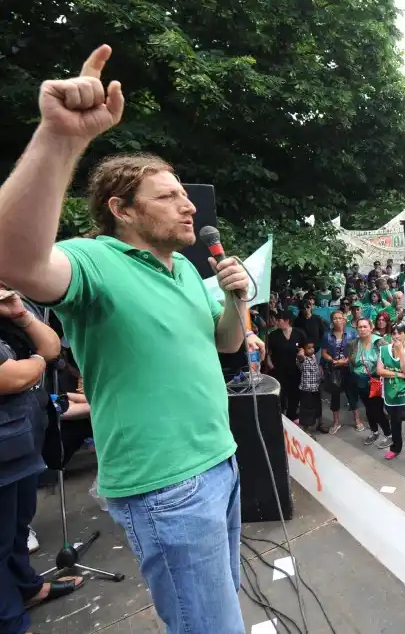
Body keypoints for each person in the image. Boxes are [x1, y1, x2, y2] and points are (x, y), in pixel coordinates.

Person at [0, 45, 256, 634]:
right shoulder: (93, 260)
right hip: (167, 486)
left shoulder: (188, 270)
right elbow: (15, 258)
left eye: (184, 194)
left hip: (220, 462)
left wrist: (237, 300)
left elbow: (224, 345)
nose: (188, 205)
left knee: (220, 615)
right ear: (122, 210)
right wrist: (60, 139)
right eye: (168, 196)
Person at [0, 288, 76, 634]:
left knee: (18, 526)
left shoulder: (10, 307)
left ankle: (28, 589)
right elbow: (12, 378)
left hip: (21, 438)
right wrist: (35, 365)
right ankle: (12, 622)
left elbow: (50, 346)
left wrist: (19, 313)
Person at [378, 324, 405, 462]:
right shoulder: (383, 350)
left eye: (399, 333)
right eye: (393, 333)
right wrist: (399, 375)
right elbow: (380, 371)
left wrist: (400, 351)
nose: (396, 336)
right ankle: (395, 448)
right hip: (391, 395)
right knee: (395, 424)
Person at [350, 318, 392, 448]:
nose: (362, 329)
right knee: (368, 409)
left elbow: (388, 361)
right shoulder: (354, 343)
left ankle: (389, 435)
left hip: (375, 380)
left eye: (365, 326)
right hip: (360, 381)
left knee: (377, 410)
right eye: (360, 327)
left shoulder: (380, 342)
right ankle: (374, 431)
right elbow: (352, 361)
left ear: (371, 327)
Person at [322, 310, 358, 434]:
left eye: (339, 318)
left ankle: (357, 420)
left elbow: (355, 351)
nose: (337, 320)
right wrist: (332, 360)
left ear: (344, 319)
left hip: (348, 367)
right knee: (335, 395)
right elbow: (324, 352)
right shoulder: (327, 334)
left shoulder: (352, 333)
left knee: (351, 394)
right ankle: (336, 422)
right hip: (334, 368)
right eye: (335, 318)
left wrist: (346, 361)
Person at [267, 311, 307, 421]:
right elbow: (267, 352)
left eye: (279, 320)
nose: (277, 322)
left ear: (287, 321)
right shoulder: (273, 335)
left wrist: (302, 353)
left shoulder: (299, 333)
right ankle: (280, 417)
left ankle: (292, 415)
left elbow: (306, 348)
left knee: (295, 393)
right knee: (281, 394)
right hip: (279, 370)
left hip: (295, 370)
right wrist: (271, 365)